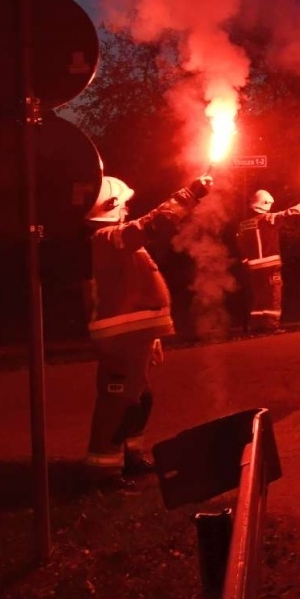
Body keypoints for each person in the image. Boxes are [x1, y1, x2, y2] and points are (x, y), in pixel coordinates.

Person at [83, 172, 213, 477]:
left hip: (133, 336)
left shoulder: (114, 241)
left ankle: (131, 456)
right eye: (123, 203)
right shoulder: (107, 238)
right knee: (119, 399)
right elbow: (154, 224)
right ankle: (103, 472)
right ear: (110, 206)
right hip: (121, 339)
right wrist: (190, 194)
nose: (127, 208)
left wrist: (152, 336)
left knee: (139, 397)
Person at [236, 188, 300, 334]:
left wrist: (246, 262)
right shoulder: (270, 219)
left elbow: (240, 246)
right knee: (272, 296)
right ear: (265, 203)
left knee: (258, 297)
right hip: (270, 267)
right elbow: (291, 212)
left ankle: (257, 326)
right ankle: (271, 326)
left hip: (253, 269)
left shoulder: (243, 225)